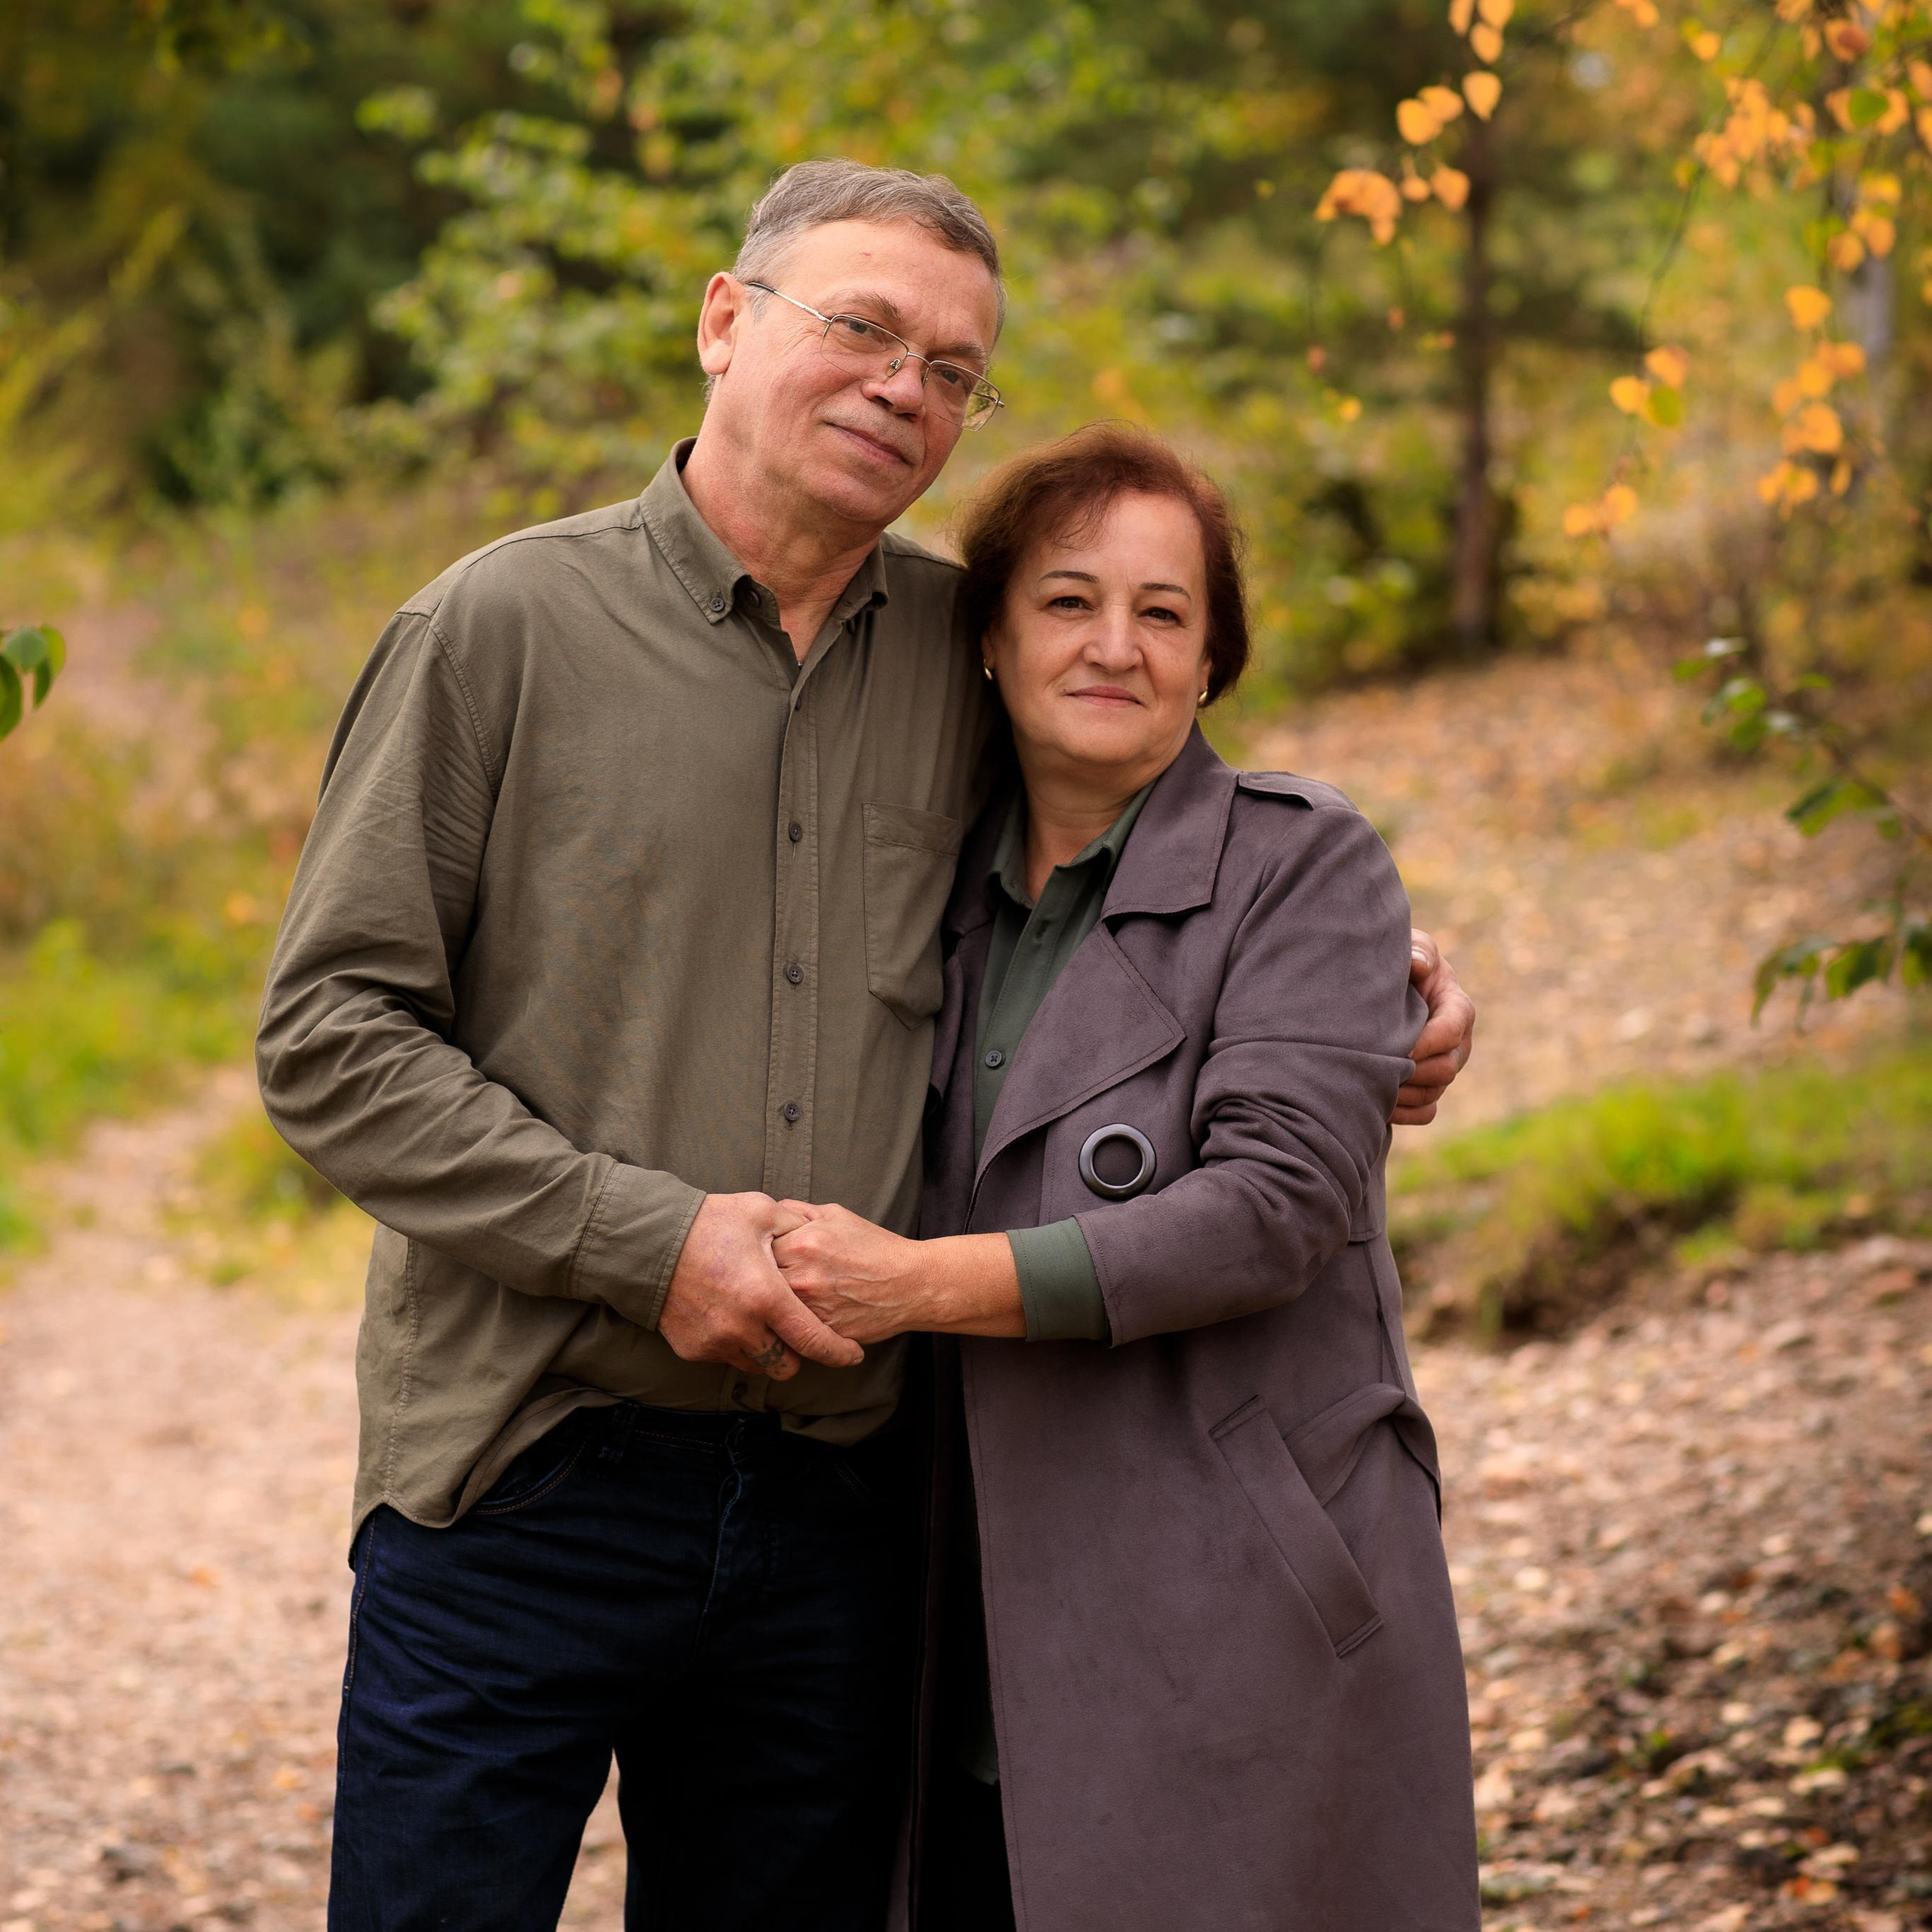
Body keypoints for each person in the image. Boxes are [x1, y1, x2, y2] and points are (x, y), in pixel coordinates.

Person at [255, 161, 1476, 1932]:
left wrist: (1386, 990)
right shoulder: (498, 629)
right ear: (722, 319)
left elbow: (1139, 856)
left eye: (955, 366)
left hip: (849, 1496)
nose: (906, 385)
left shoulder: (959, 656)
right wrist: (646, 1237)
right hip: (518, 1468)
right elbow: (327, 1032)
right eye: (863, 326)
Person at [771, 425, 1479, 1932]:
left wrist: (919, 1282)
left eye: (1163, 612)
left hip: (1235, 1581)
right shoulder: (922, 885)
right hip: (963, 1590)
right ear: (987, 636)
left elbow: (1274, 1202)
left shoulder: (1303, 862)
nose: (1114, 646)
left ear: (1212, 656)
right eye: (1066, 600)